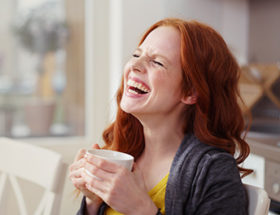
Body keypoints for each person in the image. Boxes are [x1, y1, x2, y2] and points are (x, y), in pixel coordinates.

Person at [69, 18, 252, 215]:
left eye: (157, 62)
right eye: (136, 54)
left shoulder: (213, 171)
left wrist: (140, 209)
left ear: (190, 91)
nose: (134, 66)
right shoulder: (124, 152)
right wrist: (92, 202)